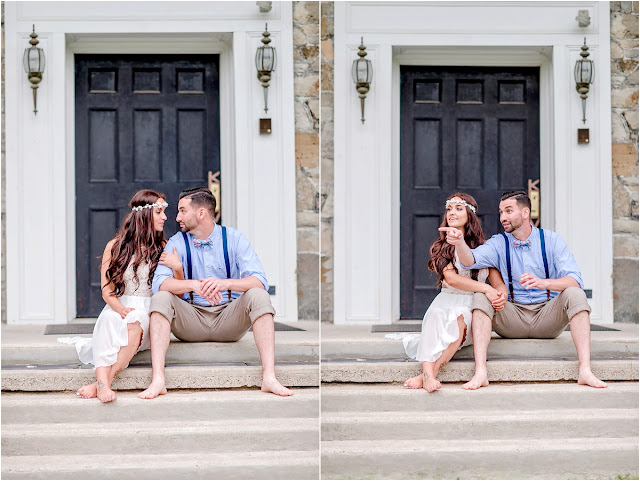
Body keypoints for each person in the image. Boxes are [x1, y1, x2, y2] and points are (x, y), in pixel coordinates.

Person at [440, 190, 607, 390]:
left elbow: (575, 280)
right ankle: (481, 372)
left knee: (575, 294)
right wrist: (459, 243)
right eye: (501, 212)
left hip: (547, 317)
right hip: (512, 318)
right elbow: (470, 261)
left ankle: (585, 370)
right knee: (482, 296)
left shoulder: (552, 240)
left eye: (509, 211)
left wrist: (545, 283)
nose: (503, 217)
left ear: (525, 212)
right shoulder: (498, 243)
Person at [138, 186, 293, 399]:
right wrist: (194, 285)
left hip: (229, 319)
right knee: (162, 298)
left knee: (259, 295)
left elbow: (260, 281)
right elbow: (160, 284)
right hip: (191, 320)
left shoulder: (234, 238)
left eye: (183, 211)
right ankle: (158, 380)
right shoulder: (176, 242)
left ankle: (269, 377)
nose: (177, 217)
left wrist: (224, 284)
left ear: (200, 213)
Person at [59, 190, 184, 402]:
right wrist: (119, 309)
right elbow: (107, 290)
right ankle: (103, 385)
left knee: (136, 321)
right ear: (144, 216)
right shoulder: (115, 246)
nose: (165, 217)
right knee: (108, 319)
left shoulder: (163, 247)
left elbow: (178, 291)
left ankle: (101, 383)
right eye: (159, 212)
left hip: (150, 311)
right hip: (120, 305)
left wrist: (178, 268)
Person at [389, 193, 507, 392]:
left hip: (471, 304)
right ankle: (428, 374)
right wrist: (486, 288)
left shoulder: (485, 249)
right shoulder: (441, 247)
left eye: (459, 209)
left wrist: (500, 294)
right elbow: (452, 279)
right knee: (435, 315)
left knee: (459, 322)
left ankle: (426, 375)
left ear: (470, 215)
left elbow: (498, 283)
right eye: (449, 209)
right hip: (446, 300)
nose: (452, 212)